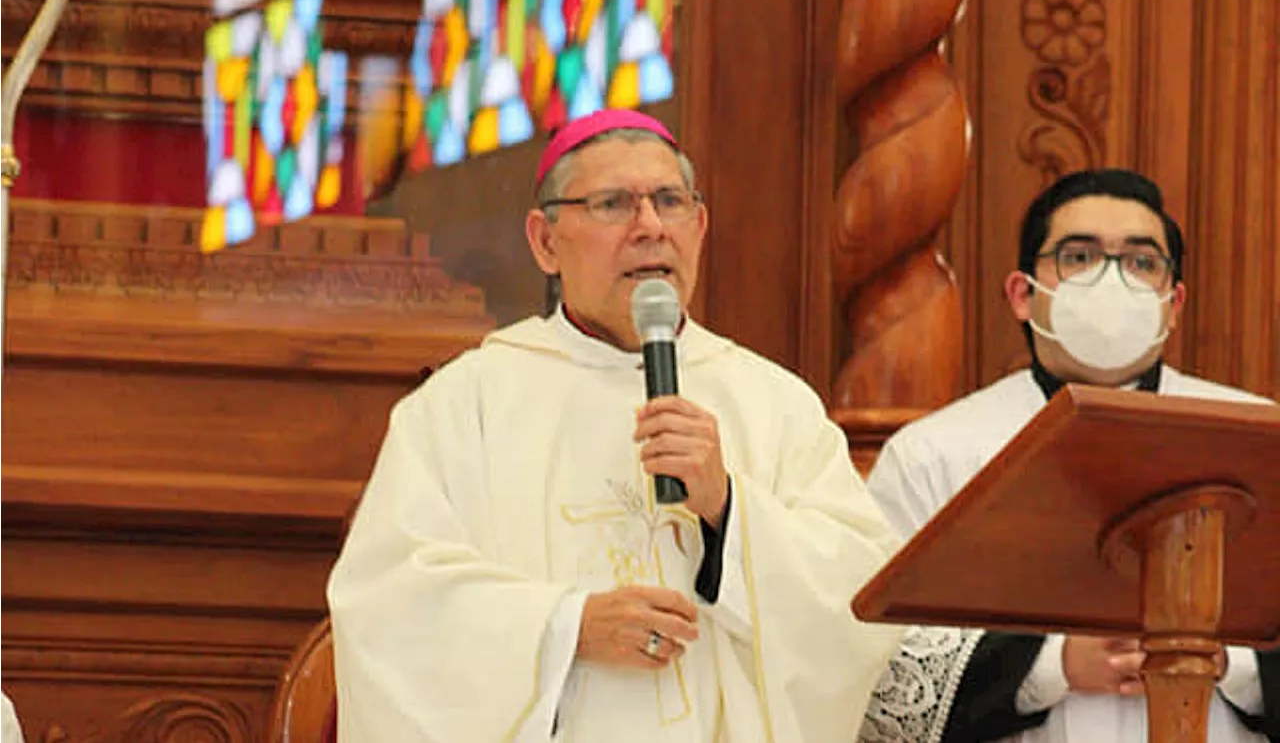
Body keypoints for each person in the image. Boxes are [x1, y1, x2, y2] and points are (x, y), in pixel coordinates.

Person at [327, 108, 904, 742]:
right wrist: (566, 627)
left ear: (700, 227)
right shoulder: (465, 405)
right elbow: (389, 606)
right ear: (545, 242)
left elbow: (860, 605)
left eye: (669, 201)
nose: (650, 227)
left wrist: (729, 511)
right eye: (612, 204)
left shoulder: (775, 405)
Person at [858, 168, 1280, 743]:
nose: (1112, 279)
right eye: (1079, 257)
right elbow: (871, 663)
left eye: (1141, 262)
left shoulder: (1257, 437)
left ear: (1173, 302)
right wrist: (1051, 667)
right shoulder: (933, 455)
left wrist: (1226, 660)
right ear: (1022, 294)